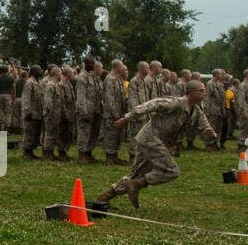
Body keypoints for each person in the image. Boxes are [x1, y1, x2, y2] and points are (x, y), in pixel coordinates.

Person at [94, 79, 216, 209]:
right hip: (150, 138)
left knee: (136, 175)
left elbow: (205, 127)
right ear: (191, 92)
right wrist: (128, 117)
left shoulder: (196, 110)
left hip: (155, 141)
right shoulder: (176, 103)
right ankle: (138, 184)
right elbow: (153, 104)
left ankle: (102, 198)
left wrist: (210, 134)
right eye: (201, 91)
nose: (204, 93)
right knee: (172, 171)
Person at [75, 56, 103, 163]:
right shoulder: (82, 77)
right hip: (86, 112)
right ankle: (81, 155)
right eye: (92, 64)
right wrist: (84, 112)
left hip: (94, 110)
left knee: (93, 133)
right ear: (86, 64)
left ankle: (88, 153)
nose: (93, 66)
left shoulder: (91, 77)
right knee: (84, 133)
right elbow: (81, 97)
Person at [101, 60, 128, 165]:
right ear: (117, 67)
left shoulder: (118, 79)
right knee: (111, 135)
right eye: (122, 66)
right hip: (112, 114)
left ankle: (115, 156)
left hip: (119, 113)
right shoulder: (110, 79)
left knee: (118, 135)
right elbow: (109, 99)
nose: (123, 68)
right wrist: (115, 113)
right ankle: (109, 157)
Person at [20, 65, 44, 158]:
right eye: (38, 70)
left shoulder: (39, 82)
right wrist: (27, 111)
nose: (40, 71)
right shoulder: (29, 83)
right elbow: (26, 98)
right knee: (29, 132)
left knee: (35, 132)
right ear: (33, 71)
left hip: (38, 112)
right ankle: (27, 151)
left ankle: (31, 151)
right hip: (31, 112)